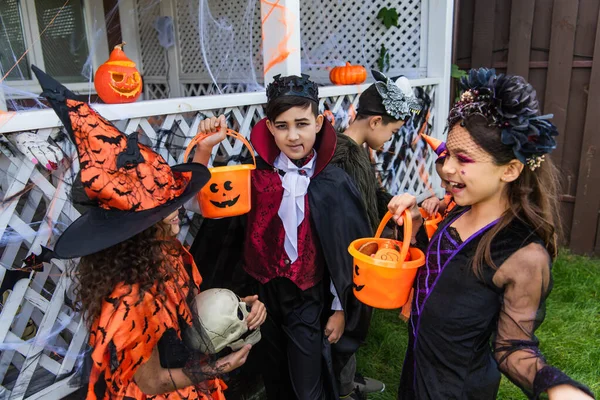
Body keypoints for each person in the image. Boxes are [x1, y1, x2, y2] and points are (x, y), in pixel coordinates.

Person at [31, 66, 266, 400]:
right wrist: (219, 368)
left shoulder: (162, 252)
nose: (179, 209)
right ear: (136, 229)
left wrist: (236, 309)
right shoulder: (128, 298)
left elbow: (184, 314)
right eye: (165, 208)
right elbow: (150, 383)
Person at [387, 68, 595, 399]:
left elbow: (514, 348)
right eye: (448, 155)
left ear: (510, 170)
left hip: (456, 391)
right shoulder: (458, 210)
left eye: (463, 159)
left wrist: (558, 387)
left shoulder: (522, 255)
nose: (448, 168)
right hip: (416, 373)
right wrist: (412, 225)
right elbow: (442, 270)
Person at [189, 73, 373, 400]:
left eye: (301, 124)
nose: (293, 135)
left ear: (318, 123)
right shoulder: (254, 175)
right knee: (273, 371)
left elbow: (346, 252)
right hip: (262, 293)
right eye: (282, 126)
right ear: (270, 127)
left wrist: (340, 307)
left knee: (307, 381)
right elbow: (203, 202)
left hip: (308, 293)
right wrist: (203, 149)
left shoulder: (333, 181)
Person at [329, 70, 422, 398]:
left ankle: (348, 376)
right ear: (375, 122)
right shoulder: (343, 161)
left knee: (355, 326)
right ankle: (341, 386)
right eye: (393, 132)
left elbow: (372, 198)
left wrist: (390, 206)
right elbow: (345, 221)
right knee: (348, 327)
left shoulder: (357, 153)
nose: (392, 139)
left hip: (359, 256)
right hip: (348, 263)